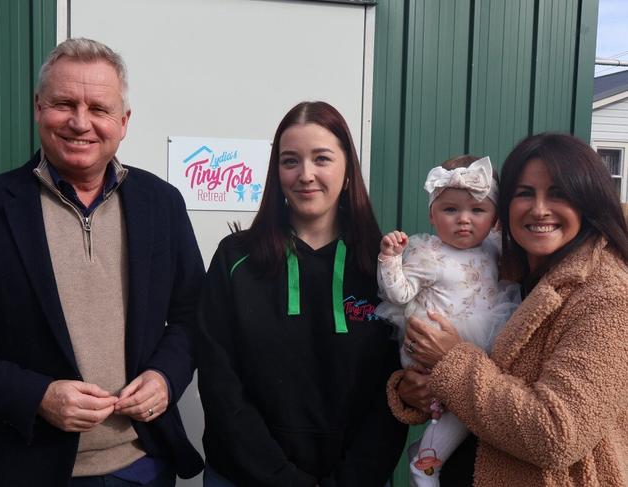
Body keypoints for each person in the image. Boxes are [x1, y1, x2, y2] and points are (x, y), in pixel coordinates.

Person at [0, 38, 205, 486]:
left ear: (123, 122)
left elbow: (194, 315)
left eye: (98, 108)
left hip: (141, 464)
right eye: (64, 103)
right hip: (21, 467)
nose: (80, 122)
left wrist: (165, 377)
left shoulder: (163, 203)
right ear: (39, 107)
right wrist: (36, 395)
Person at [391, 132, 628, 486]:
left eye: (559, 193)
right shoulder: (503, 270)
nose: (539, 209)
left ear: (587, 201)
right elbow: (484, 379)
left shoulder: (607, 294)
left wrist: (452, 361)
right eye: (525, 193)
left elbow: (557, 434)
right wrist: (414, 389)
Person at [196, 101, 407, 486]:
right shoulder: (234, 259)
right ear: (277, 173)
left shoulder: (386, 269)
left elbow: (394, 389)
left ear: (347, 172)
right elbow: (219, 382)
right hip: (243, 476)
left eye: (322, 159)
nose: (305, 175)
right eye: (290, 161)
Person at [377, 156, 519, 486]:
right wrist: (390, 260)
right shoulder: (429, 254)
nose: (464, 220)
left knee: (471, 406)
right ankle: (425, 465)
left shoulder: (495, 249)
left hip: (476, 348)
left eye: (477, 210)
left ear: (495, 218)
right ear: (432, 214)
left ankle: (425, 453)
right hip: (433, 351)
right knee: (464, 412)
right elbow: (399, 294)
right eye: (450, 210)